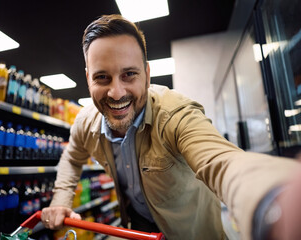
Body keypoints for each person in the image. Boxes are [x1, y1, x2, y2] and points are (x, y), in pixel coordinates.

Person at [41, 14, 299, 239]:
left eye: (129, 74)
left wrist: (272, 199)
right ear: (88, 77)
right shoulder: (86, 122)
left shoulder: (176, 114)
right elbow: (72, 158)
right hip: (138, 230)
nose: (116, 93)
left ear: (147, 74)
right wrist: (61, 200)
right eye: (102, 77)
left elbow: (221, 161)